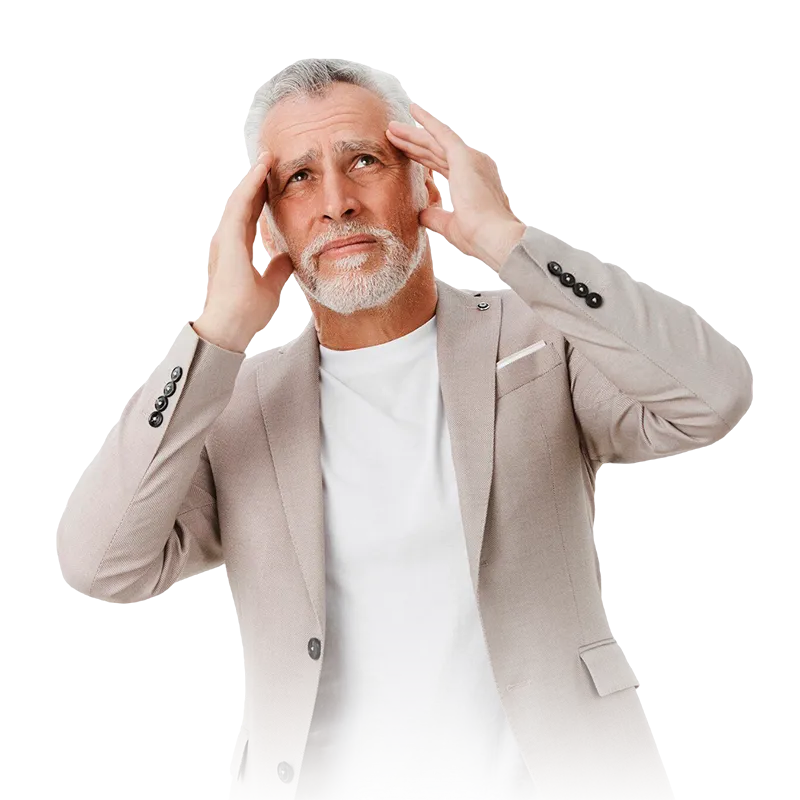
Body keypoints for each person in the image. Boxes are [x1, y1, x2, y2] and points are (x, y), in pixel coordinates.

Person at [56, 57, 751, 800]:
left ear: (424, 178)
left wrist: (510, 243)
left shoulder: (542, 338)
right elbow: (99, 567)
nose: (336, 203)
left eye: (364, 161)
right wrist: (217, 332)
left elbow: (712, 398)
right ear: (269, 223)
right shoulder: (235, 408)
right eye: (298, 178)